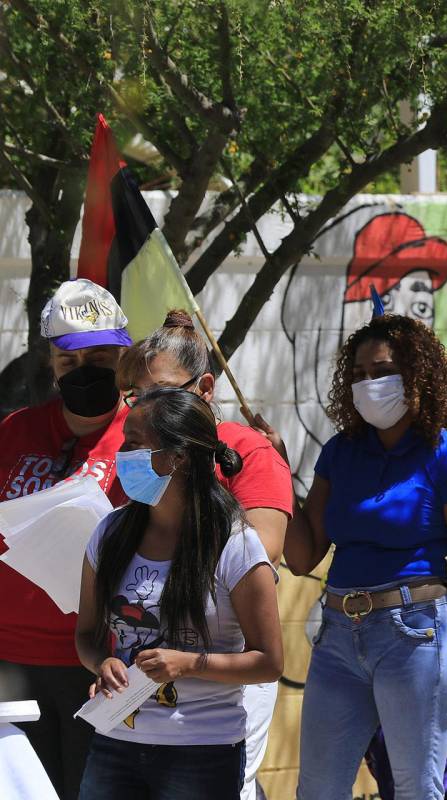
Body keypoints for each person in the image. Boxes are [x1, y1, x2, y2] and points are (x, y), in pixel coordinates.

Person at [286, 314, 447, 798]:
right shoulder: (340, 452)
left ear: (416, 375)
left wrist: (420, 599)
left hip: (415, 637)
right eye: (358, 375)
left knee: (414, 789)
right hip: (338, 634)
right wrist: (278, 469)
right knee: (316, 790)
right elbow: (301, 558)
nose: (368, 385)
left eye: (381, 371)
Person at [116, 309, 293, 800]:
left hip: (225, 676)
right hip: (142, 668)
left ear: (206, 388)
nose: (146, 408)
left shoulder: (247, 449)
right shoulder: (132, 455)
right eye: (136, 396)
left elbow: (263, 552)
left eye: (162, 393)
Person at [74, 388, 283, 800]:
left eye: (134, 443)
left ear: (178, 456)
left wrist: (189, 663)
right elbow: (86, 637)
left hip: (202, 753)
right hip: (116, 743)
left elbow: (269, 662)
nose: (122, 454)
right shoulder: (111, 532)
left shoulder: (235, 544)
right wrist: (104, 663)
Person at [0, 279, 133, 799]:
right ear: (52, 365)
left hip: (96, 662)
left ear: (123, 354)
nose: (85, 372)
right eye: (69, 362)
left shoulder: (145, 435)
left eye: (100, 357)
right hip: (10, 661)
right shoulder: (14, 432)